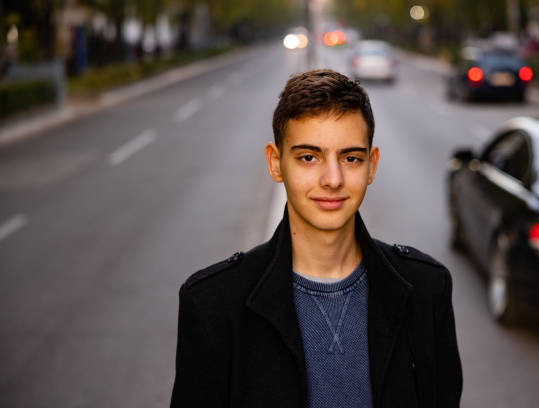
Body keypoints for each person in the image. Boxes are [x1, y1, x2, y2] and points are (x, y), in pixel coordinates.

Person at [170, 69, 462, 408]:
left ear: (372, 165)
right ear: (275, 163)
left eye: (351, 158)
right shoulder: (212, 304)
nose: (333, 179)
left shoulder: (427, 289)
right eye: (309, 157)